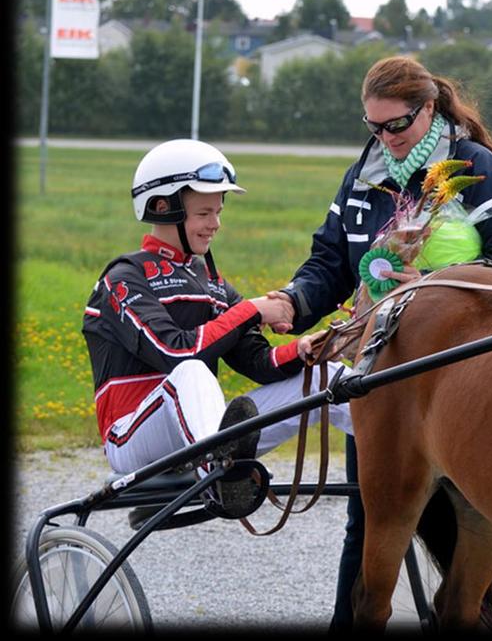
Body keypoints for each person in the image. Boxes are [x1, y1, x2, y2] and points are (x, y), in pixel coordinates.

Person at [263, 56, 492, 628]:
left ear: (430, 109)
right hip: (381, 368)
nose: (387, 139)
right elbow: (330, 261)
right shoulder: (364, 175)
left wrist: (440, 287)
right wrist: (293, 301)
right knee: (369, 521)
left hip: (461, 375)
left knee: (482, 517)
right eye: (374, 128)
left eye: (398, 125)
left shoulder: (473, 166)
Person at [82, 138, 353, 517]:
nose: (216, 224)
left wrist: (305, 350)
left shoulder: (212, 283)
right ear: (163, 208)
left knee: (329, 376)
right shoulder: (124, 278)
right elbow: (176, 353)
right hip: (132, 437)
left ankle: (417, 453)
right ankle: (221, 475)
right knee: (191, 372)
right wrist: (253, 309)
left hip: (202, 434)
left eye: (219, 212)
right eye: (204, 213)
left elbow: (257, 361)